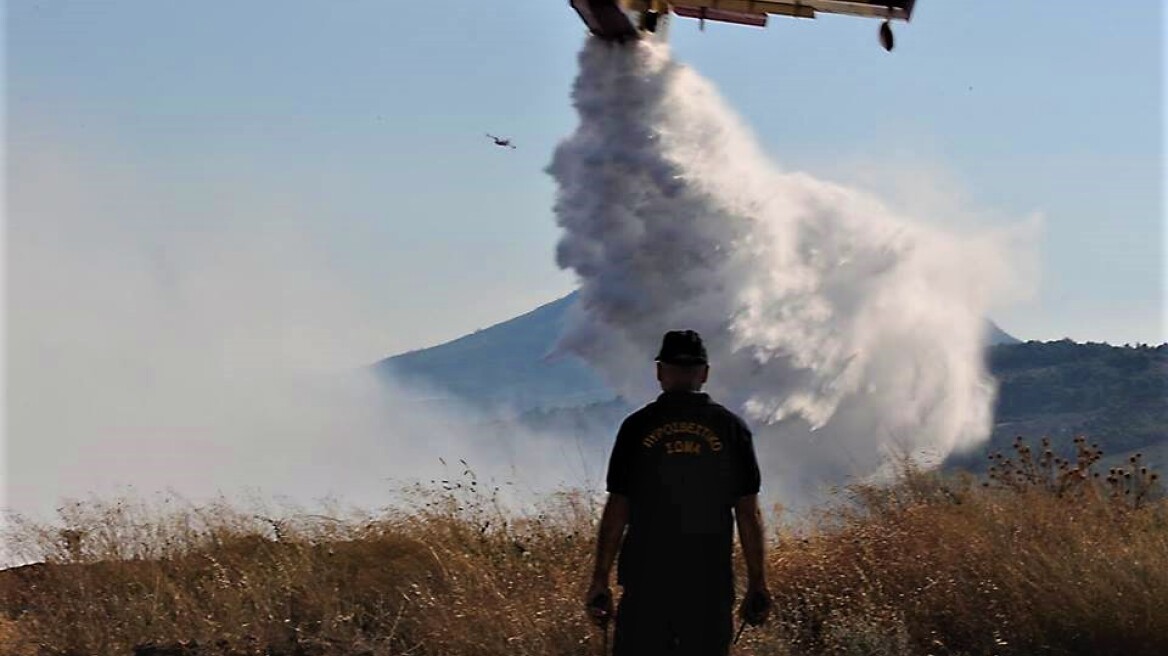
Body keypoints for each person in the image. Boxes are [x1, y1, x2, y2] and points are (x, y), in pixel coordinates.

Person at [585, 329, 772, 655]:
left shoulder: (637, 427)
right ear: (704, 373)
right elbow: (747, 512)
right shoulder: (731, 429)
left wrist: (600, 578)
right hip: (708, 583)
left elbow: (618, 507)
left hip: (646, 582)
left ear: (660, 372)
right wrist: (758, 581)